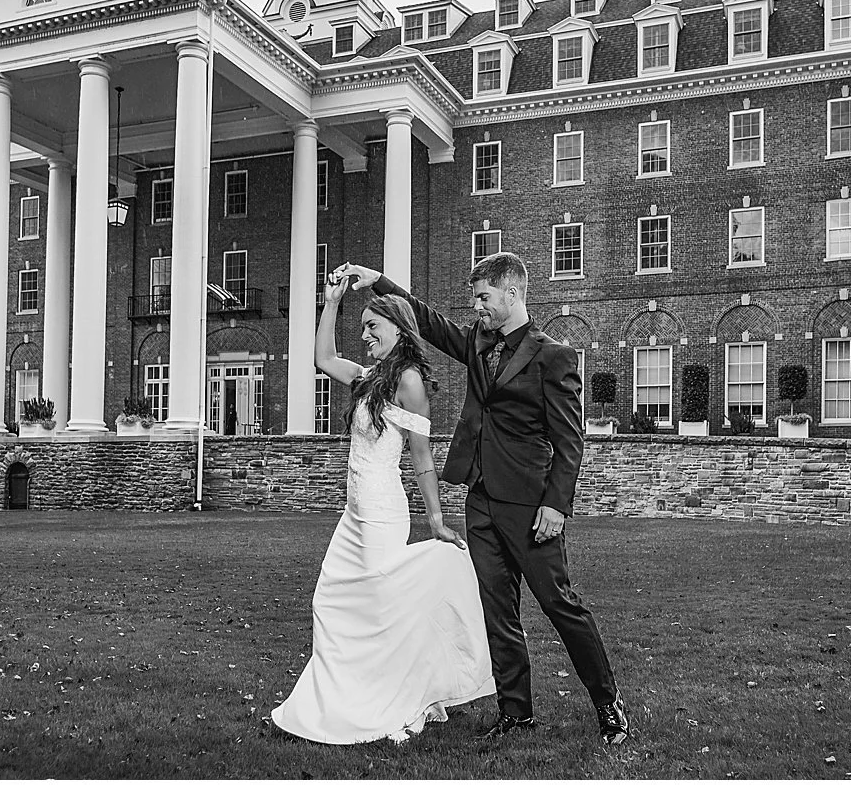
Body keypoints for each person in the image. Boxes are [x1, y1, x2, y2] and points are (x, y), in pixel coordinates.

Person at [337, 253, 629, 745]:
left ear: (513, 293)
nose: (477, 308)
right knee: (498, 610)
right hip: (481, 499)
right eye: (474, 299)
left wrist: (556, 506)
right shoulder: (476, 342)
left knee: (560, 605)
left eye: (484, 298)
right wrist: (378, 283)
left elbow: (569, 441)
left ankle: (608, 702)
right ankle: (516, 712)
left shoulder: (552, 356)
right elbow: (426, 320)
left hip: (531, 506)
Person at [266, 274, 495, 744]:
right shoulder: (371, 377)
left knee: (376, 613)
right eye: (365, 327)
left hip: (381, 515)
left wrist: (435, 520)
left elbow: (422, 458)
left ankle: (392, 700)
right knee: (330, 600)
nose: (366, 335)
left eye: (373, 327)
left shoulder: (409, 382)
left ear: (398, 329)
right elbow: (323, 358)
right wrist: (331, 303)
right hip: (354, 516)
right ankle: (342, 695)